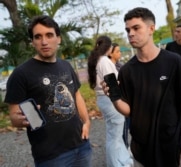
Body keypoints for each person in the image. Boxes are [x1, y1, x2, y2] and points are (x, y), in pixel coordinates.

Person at [102, 7, 181, 167]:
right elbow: (129, 110)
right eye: (127, 29)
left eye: (136, 28)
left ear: (151, 28)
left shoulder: (174, 62)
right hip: (141, 152)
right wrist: (114, 98)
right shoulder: (126, 71)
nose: (130, 33)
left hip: (172, 148)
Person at [4, 15, 92, 166]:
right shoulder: (21, 74)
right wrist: (22, 119)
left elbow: (76, 95)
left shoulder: (66, 65)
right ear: (32, 42)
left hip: (81, 146)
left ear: (58, 38)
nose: (44, 42)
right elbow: (13, 116)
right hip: (51, 157)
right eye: (38, 37)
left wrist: (87, 122)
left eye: (49, 35)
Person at [87, 36, 133, 167]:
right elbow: (112, 83)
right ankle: (115, 164)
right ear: (107, 47)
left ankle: (123, 160)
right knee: (115, 136)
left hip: (103, 99)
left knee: (113, 134)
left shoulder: (95, 61)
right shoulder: (104, 62)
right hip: (110, 100)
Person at [108, 43, 130, 148]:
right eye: (117, 51)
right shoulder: (109, 68)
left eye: (120, 51)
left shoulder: (121, 66)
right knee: (121, 129)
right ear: (110, 54)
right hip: (118, 101)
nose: (120, 53)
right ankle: (124, 148)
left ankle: (127, 147)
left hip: (127, 100)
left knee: (128, 126)